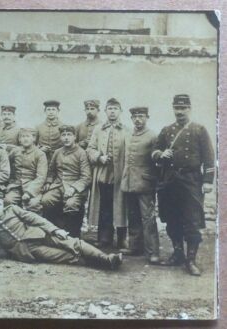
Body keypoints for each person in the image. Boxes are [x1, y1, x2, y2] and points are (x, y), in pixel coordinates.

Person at [152, 94, 214, 276]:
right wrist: (160, 155)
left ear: (189, 108)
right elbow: (155, 151)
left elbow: (209, 159)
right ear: (173, 109)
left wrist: (208, 182)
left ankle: (191, 260)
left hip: (191, 181)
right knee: (172, 219)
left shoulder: (199, 130)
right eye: (177, 108)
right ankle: (177, 254)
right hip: (170, 181)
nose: (179, 112)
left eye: (183, 108)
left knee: (192, 221)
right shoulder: (166, 130)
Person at [0, 192, 123, 270]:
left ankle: (107, 258)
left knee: (72, 243)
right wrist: (8, 252)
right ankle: (100, 264)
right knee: (63, 256)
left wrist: (55, 229)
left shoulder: (12, 209)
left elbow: (36, 219)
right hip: (28, 250)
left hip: (40, 234)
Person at [87, 98, 130, 249]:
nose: (112, 111)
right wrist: (100, 157)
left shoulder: (126, 130)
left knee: (121, 205)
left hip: (120, 174)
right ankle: (104, 237)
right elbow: (90, 149)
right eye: (110, 109)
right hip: (103, 173)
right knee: (104, 205)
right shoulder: (98, 129)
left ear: (120, 111)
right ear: (105, 111)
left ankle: (122, 238)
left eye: (115, 109)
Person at [120, 107, 160, 264]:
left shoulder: (152, 136)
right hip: (129, 182)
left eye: (141, 116)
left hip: (145, 183)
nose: (137, 119)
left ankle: (153, 251)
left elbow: (156, 161)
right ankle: (135, 247)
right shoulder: (128, 135)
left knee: (148, 218)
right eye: (135, 117)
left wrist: (153, 180)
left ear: (147, 117)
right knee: (133, 215)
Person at [41, 125, 91, 238]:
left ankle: (72, 236)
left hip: (76, 187)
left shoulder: (81, 153)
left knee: (71, 204)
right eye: (63, 135)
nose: (66, 138)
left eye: (69, 135)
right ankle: (53, 233)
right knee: (46, 200)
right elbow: (51, 170)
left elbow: (86, 177)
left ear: (74, 137)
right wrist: (48, 182)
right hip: (58, 186)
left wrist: (73, 188)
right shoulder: (57, 152)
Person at [5, 128, 47, 213]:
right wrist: (11, 181)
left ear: (33, 138)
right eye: (22, 136)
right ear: (19, 140)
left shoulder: (40, 154)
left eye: (28, 136)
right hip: (16, 185)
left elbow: (41, 177)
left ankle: (34, 225)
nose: (25, 139)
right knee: (8, 200)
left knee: (33, 204)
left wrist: (29, 192)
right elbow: (7, 166)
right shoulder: (15, 151)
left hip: (32, 186)